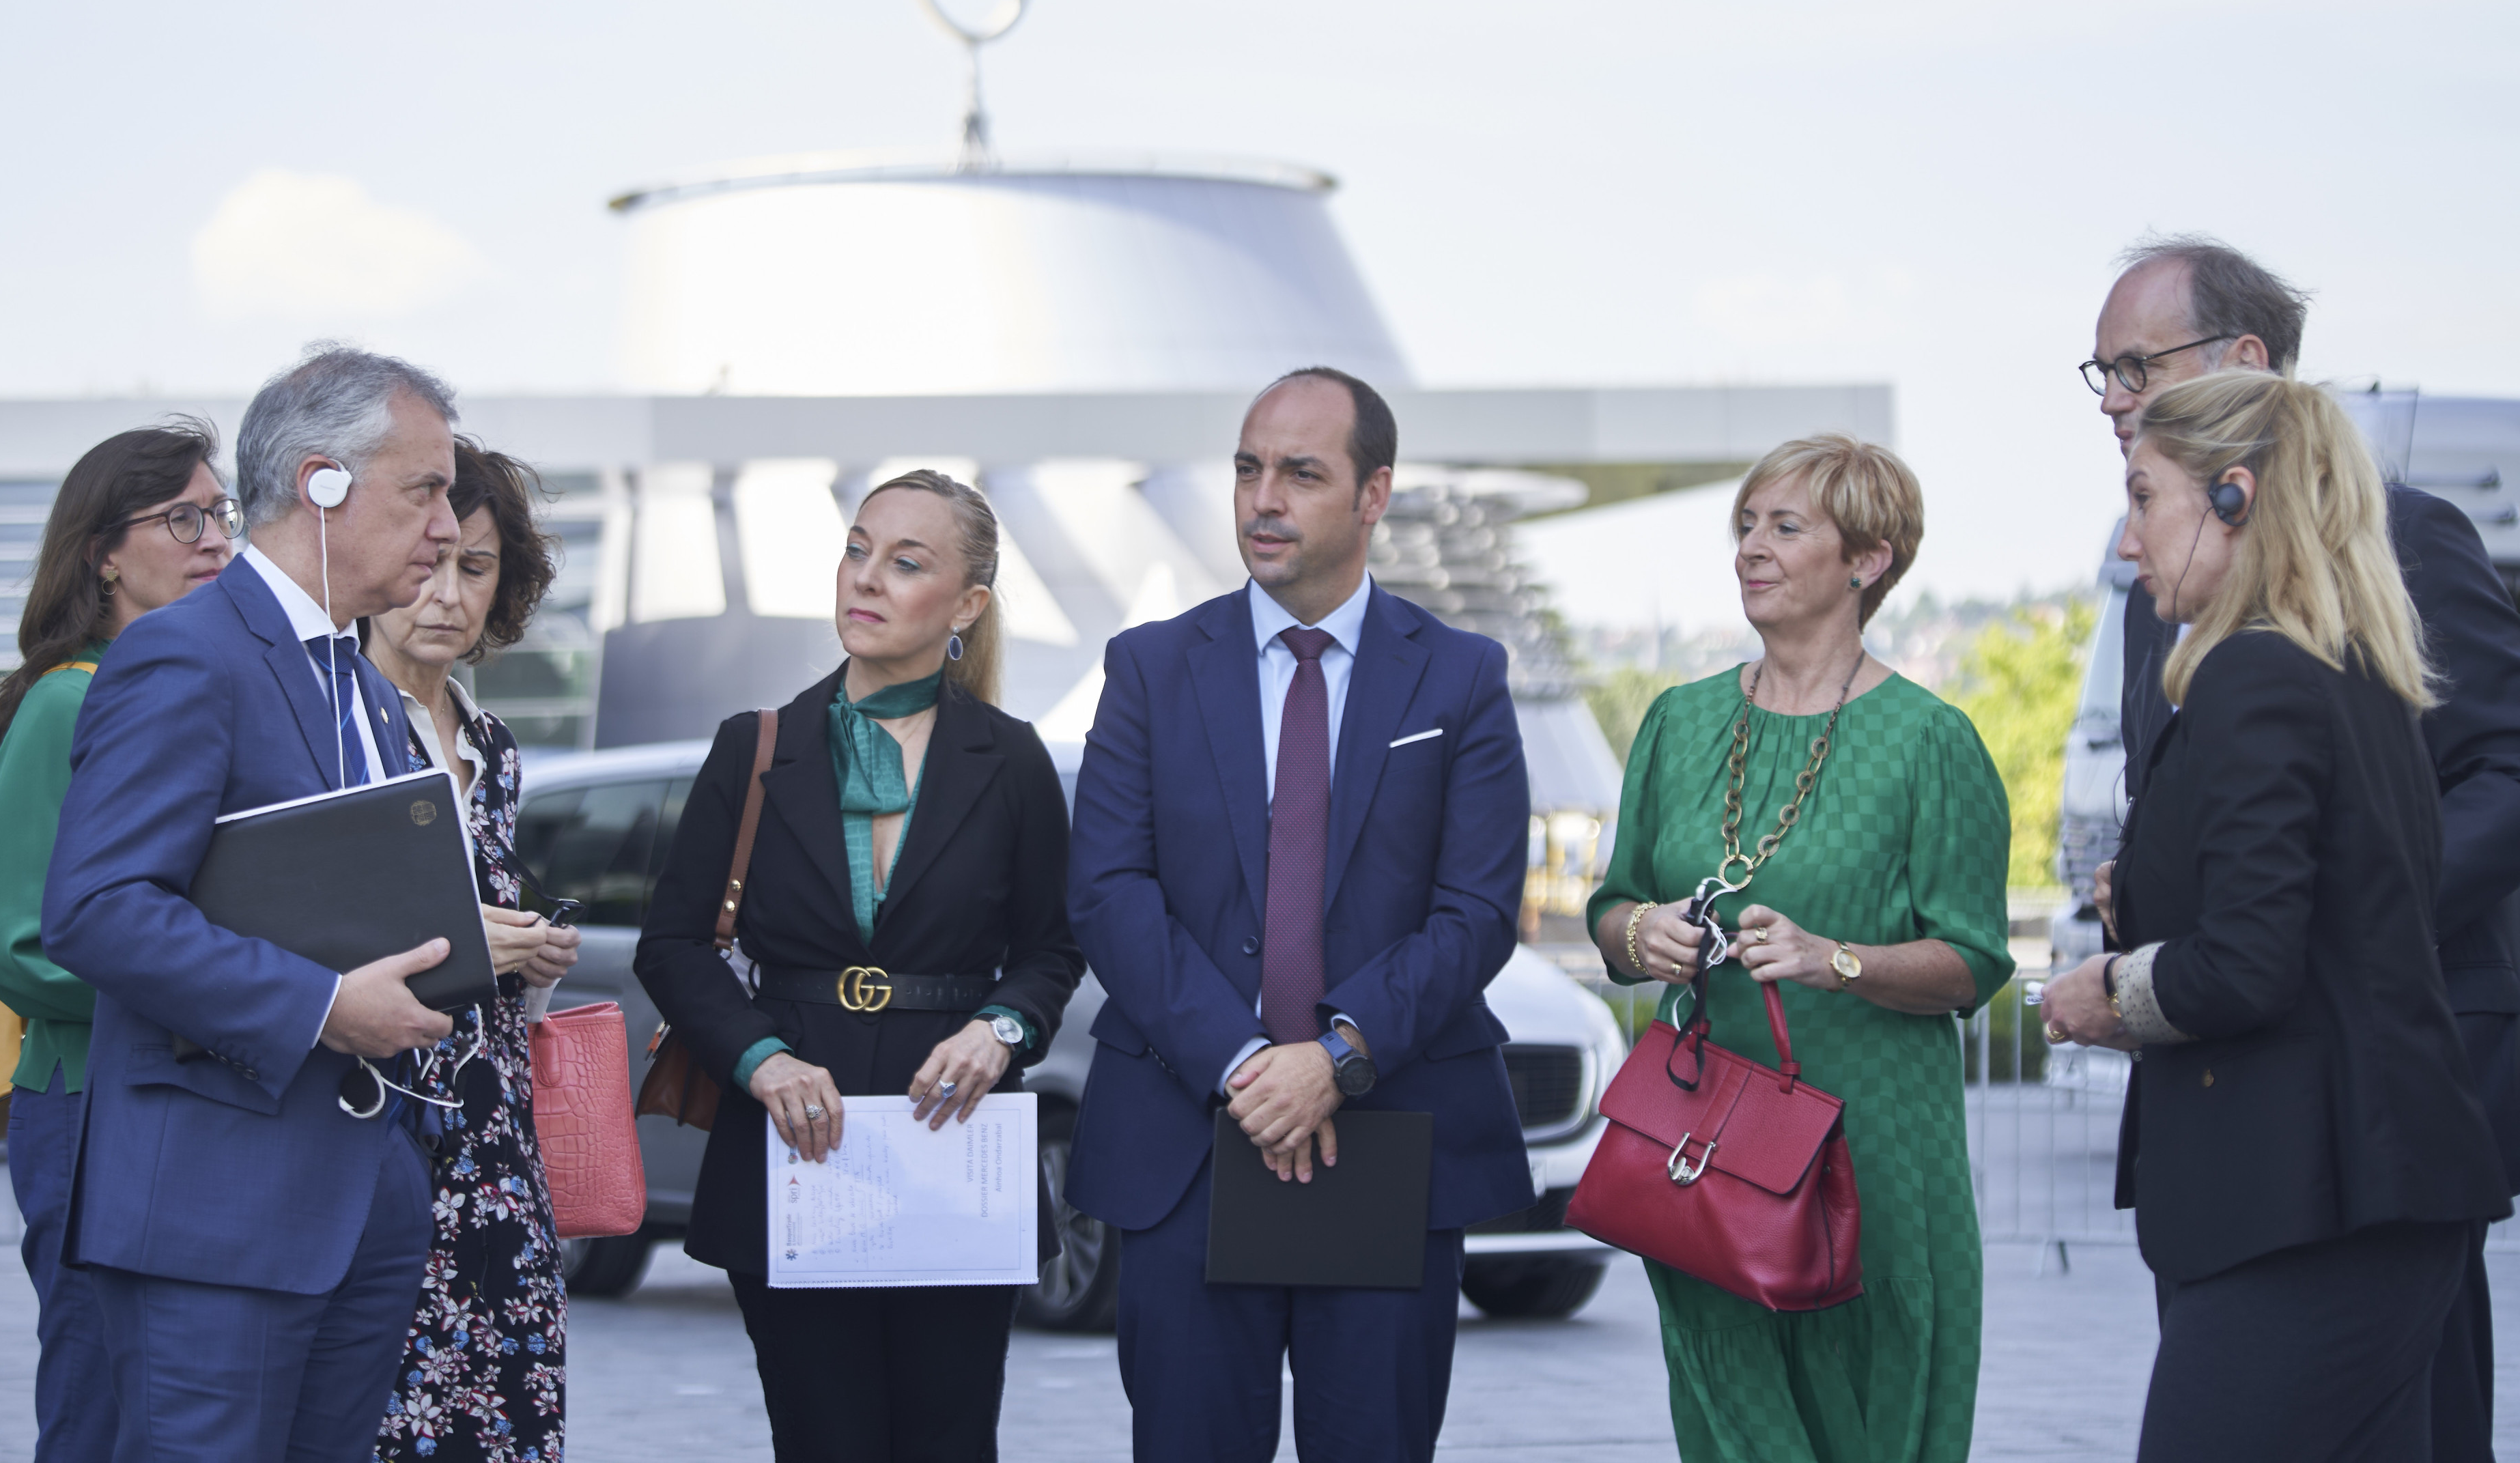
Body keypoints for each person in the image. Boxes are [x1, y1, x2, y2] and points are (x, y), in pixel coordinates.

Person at [2084, 237, 2520, 1458]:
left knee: (2405, 1412)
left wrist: (2337, 916)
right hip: (2223, 1084)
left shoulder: (2408, 538)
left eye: (2136, 366)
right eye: (2101, 373)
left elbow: (2502, 772)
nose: (2114, 397)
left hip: (2376, 1073)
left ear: (2245, 363)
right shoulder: (2154, 588)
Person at [1064, 367, 1535, 1463]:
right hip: (1190, 1142)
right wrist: (1243, 1064)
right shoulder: (1150, 667)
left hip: (1386, 1139)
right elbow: (1109, 891)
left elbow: (1476, 911)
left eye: (1300, 474)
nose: (1262, 498)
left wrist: (1336, 1056)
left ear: (1374, 494)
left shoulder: (1461, 677)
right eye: (1246, 469)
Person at [41, 345, 466, 1463]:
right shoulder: (184, 657)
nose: (447, 526)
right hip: (217, 1215)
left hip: (358, 1201)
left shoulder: (358, 680)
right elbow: (98, 908)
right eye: (425, 489)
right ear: (322, 481)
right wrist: (323, 1005)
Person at [634, 468, 1084, 1463]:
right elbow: (673, 945)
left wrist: (1002, 1030)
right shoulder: (755, 746)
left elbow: (1052, 948)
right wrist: (758, 1058)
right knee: (823, 1440)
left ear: (967, 605)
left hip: (953, 1140)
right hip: (795, 1138)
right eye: (857, 548)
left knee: (949, 1441)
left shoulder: (1011, 762)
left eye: (906, 562)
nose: (866, 578)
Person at [1587, 434, 2013, 1463]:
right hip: (1706, 1159)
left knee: (1874, 1414)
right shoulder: (1678, 723)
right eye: (1745, 526)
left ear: (1867, 560)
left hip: (1873, 1164)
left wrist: (1840, 960)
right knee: (1731, 1415)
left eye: (1786, 527)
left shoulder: (1929, 741)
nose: (1752, 550)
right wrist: (1643, 934)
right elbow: (1610, 909)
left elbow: (1975, 960)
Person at [0, 420, 238, 1463]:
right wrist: (208, 994)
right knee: (100, 1404)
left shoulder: (187, 687)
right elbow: (11, 943)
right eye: (183, 518)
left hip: (172, 1090)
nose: (214, 538)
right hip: (87, 1103)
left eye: (219, 514)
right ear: (104, 552)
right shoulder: (66, 701)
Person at [362, 442, 582, 1463]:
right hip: (376, 1114)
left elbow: (480, 957)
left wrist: (530, 960)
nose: (447, 595)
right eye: (430, 561)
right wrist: (461, 946)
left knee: (507, 1401)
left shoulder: (492, 747)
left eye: (478, 568)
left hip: (495, 1127)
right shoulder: (330, 720)